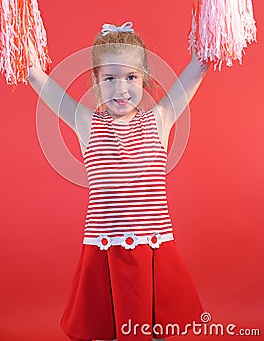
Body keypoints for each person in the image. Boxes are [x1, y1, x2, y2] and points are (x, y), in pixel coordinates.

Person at [27, 22, 209, 341]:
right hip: (104, 250)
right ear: (96, 81)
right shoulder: (85, 121)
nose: (120, 90)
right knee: (107, 329)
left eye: (131, 77)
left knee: (154, 331)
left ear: (145, 79)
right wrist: (17, 40)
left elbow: (201, 63)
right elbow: (36, 77)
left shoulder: (160, 118)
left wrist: (219, 5)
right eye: (109, 78)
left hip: (152, 249)